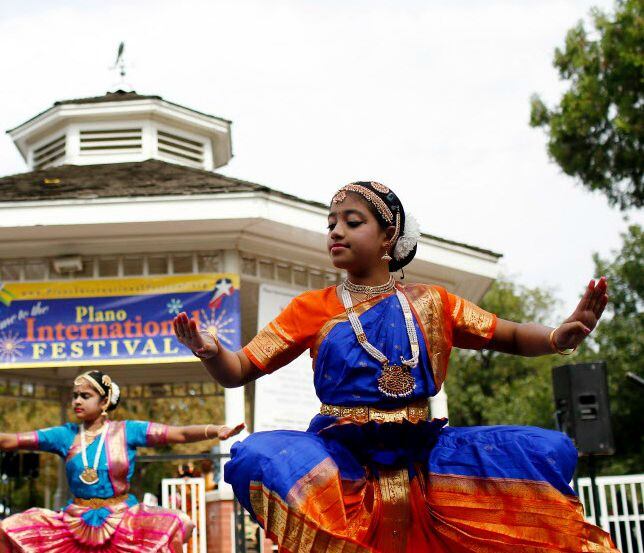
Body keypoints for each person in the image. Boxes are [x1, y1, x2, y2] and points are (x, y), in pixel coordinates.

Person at [173, 181, 616, 552]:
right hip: (343, 456)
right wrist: (211, 352)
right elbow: (240, 368)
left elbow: (511, 335)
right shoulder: (312, 308)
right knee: (256, 455)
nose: (336, 232)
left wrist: (559, 336)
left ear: (389, 238)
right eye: (330, 224)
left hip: (422, 453)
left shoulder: (432, 303)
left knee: (546, 451)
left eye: (352, 221)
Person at [0, 370, 244, 552]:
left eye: (85, 396)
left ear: (104, 401)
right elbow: (11, 441)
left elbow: (177, 433)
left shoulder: (127, 431)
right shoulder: (66, 435)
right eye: (75, 396)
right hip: (73, 520)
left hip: (123, 519)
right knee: (8, 528)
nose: (76, 401)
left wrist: (215, 430)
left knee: (179, 523)